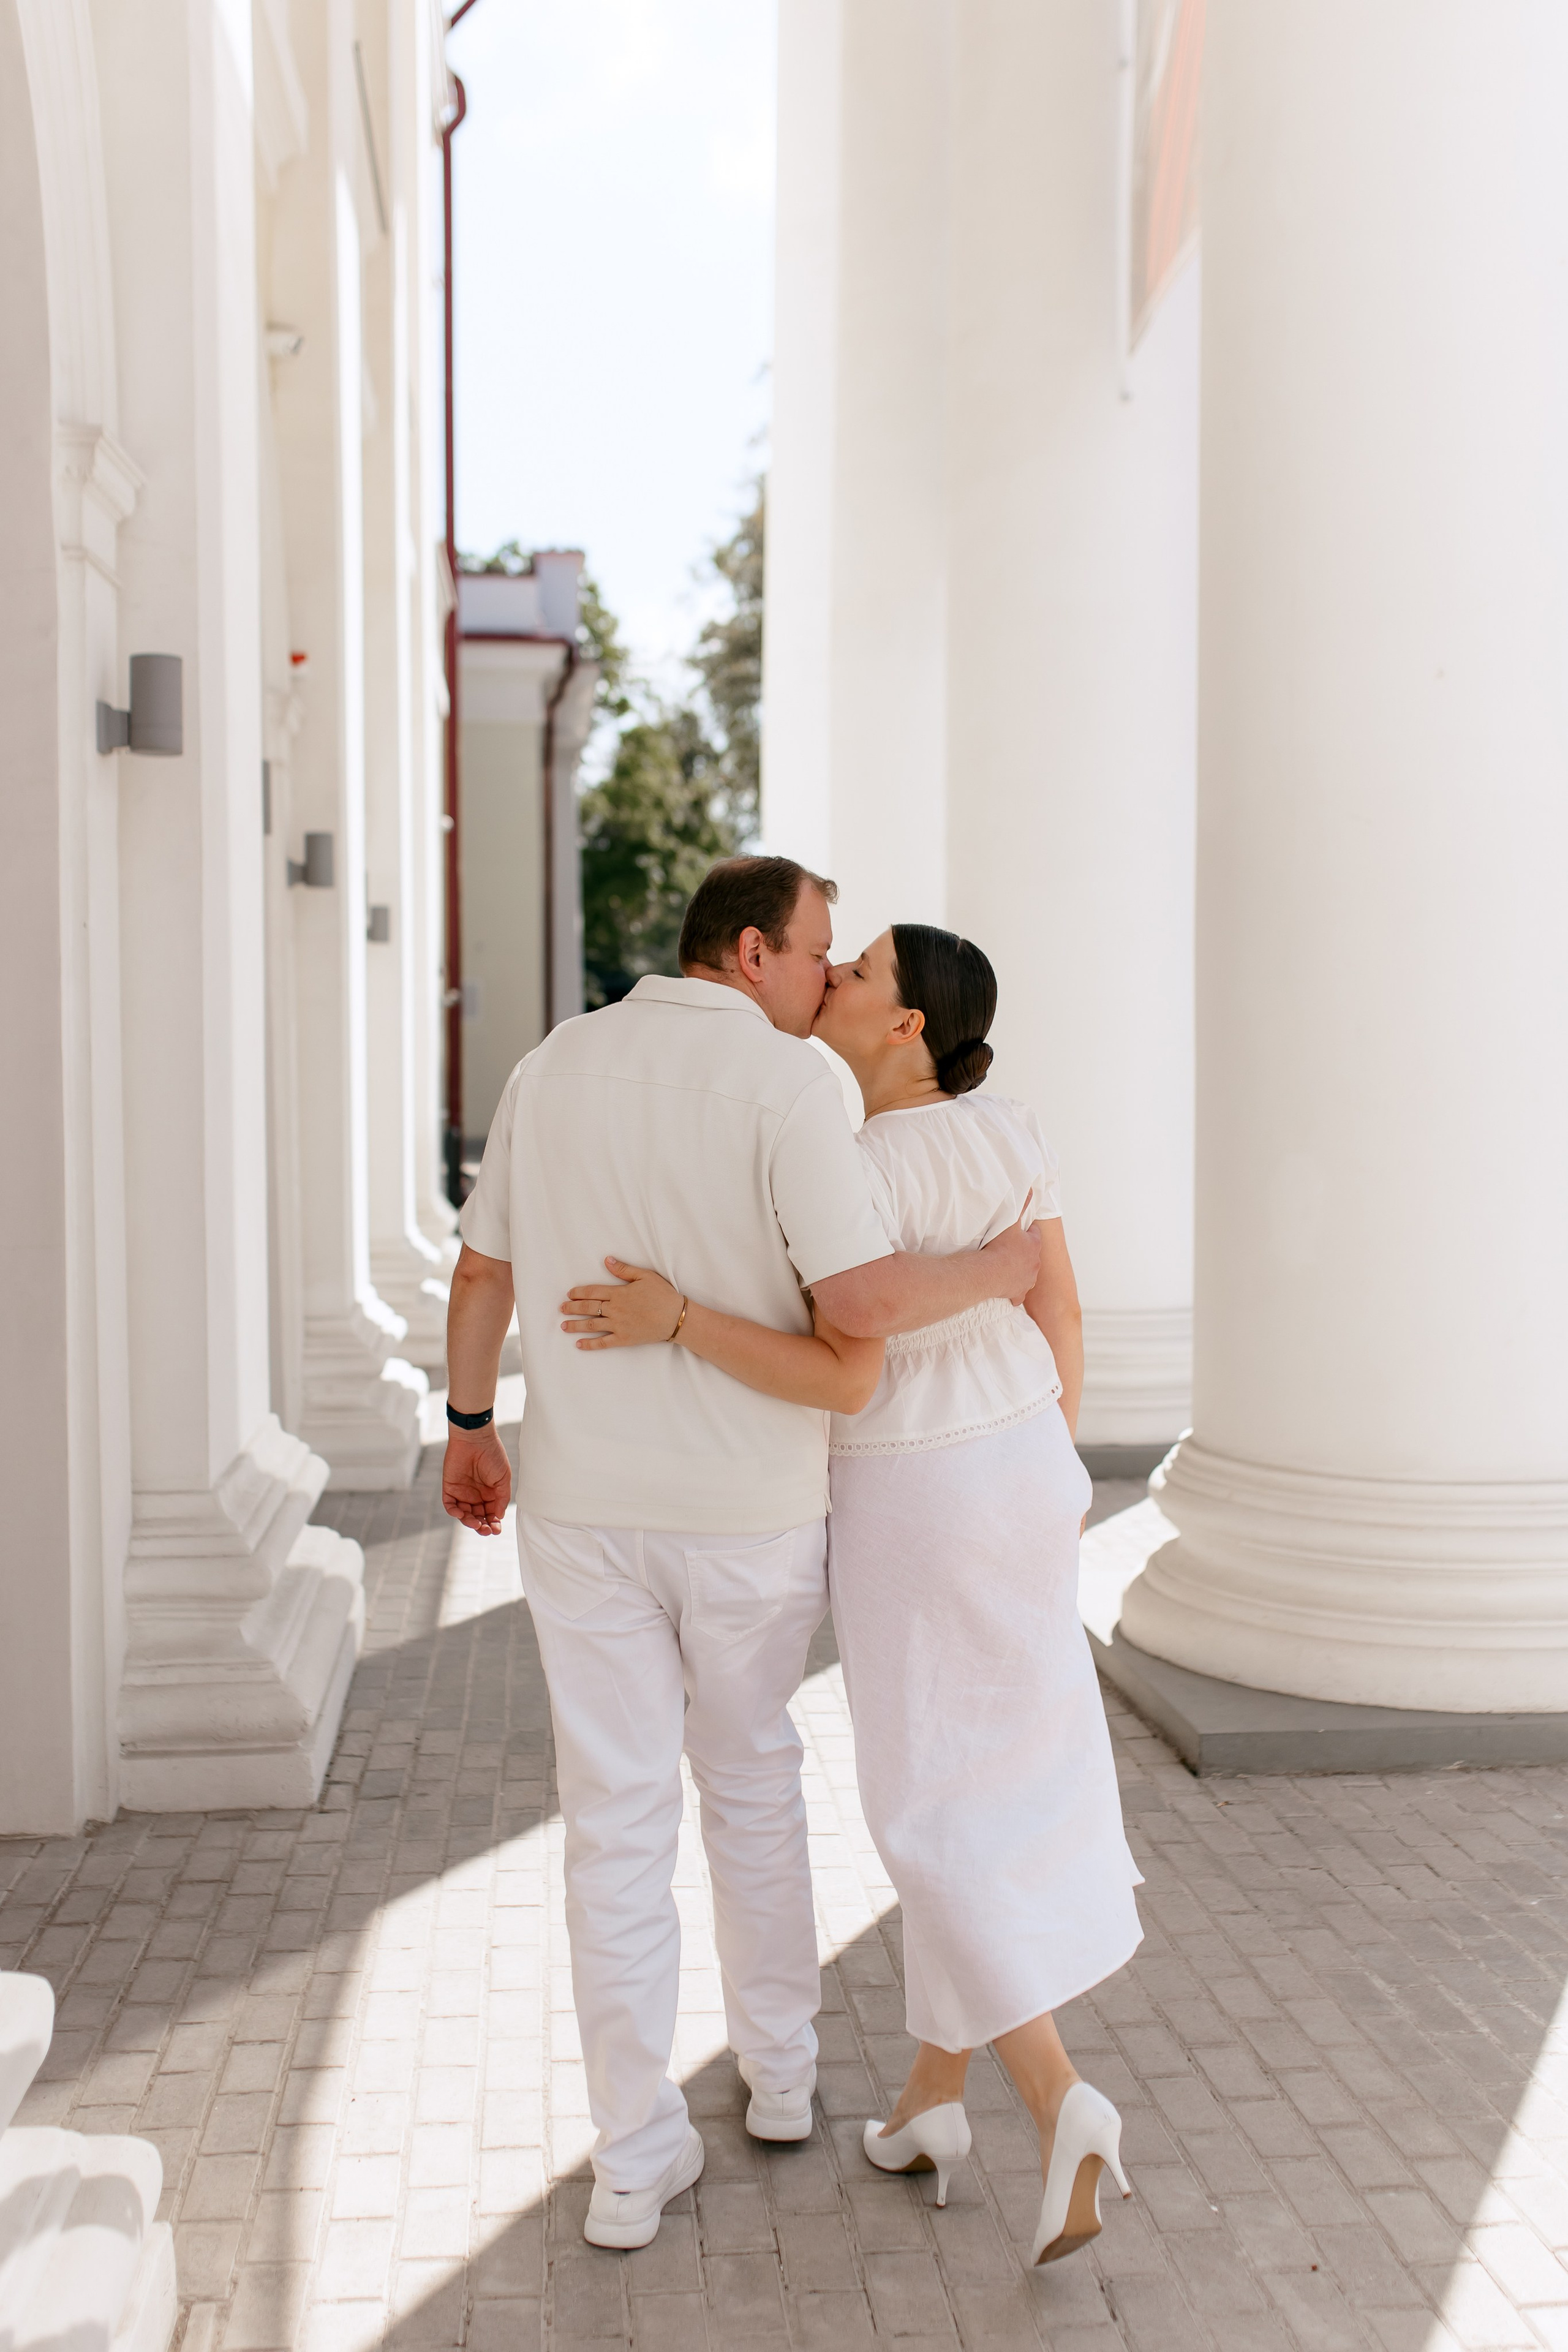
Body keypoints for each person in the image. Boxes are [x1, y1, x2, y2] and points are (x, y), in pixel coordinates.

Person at [442, 858, 1042, 2252]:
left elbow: (485, 1273)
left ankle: (633, 2155)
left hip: (583, 1508)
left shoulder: (553, 1063)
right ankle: (779, 2078)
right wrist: (1003, 1272)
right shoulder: (796, 1094)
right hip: (751, 1512)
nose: (827, 981)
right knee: (752, 1780)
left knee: (614, 1817)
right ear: (754, 950)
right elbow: (853, 1332)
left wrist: (469, 1425)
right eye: (818, 955)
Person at [567, 922, 1142, 2266]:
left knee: (927, 1801)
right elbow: (1060, 1302)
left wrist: (673, 1319)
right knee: (999, 1766)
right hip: (1020, 1458)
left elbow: (851, 1328)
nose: (831, 976)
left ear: (902, 1029)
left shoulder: (846, 1162)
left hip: (909, 1483)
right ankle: (927, 2105)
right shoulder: (1009, 1131)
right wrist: (1058, 1453)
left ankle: (1059, 2098)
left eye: (860, 970)